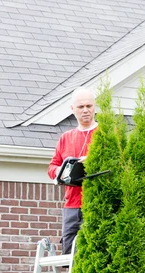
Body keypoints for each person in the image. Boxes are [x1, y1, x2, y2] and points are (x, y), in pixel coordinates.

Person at [48, 87, 98, 254]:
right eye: (80, 107)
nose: (85, 110)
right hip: (72, 206)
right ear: (72, 109)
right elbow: (52, 167)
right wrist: (62, 171)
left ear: (95, 107)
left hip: (98, 204)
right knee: (70, 255)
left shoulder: (105, 134)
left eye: (89, 106)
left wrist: (92, 161)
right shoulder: (66, 138)